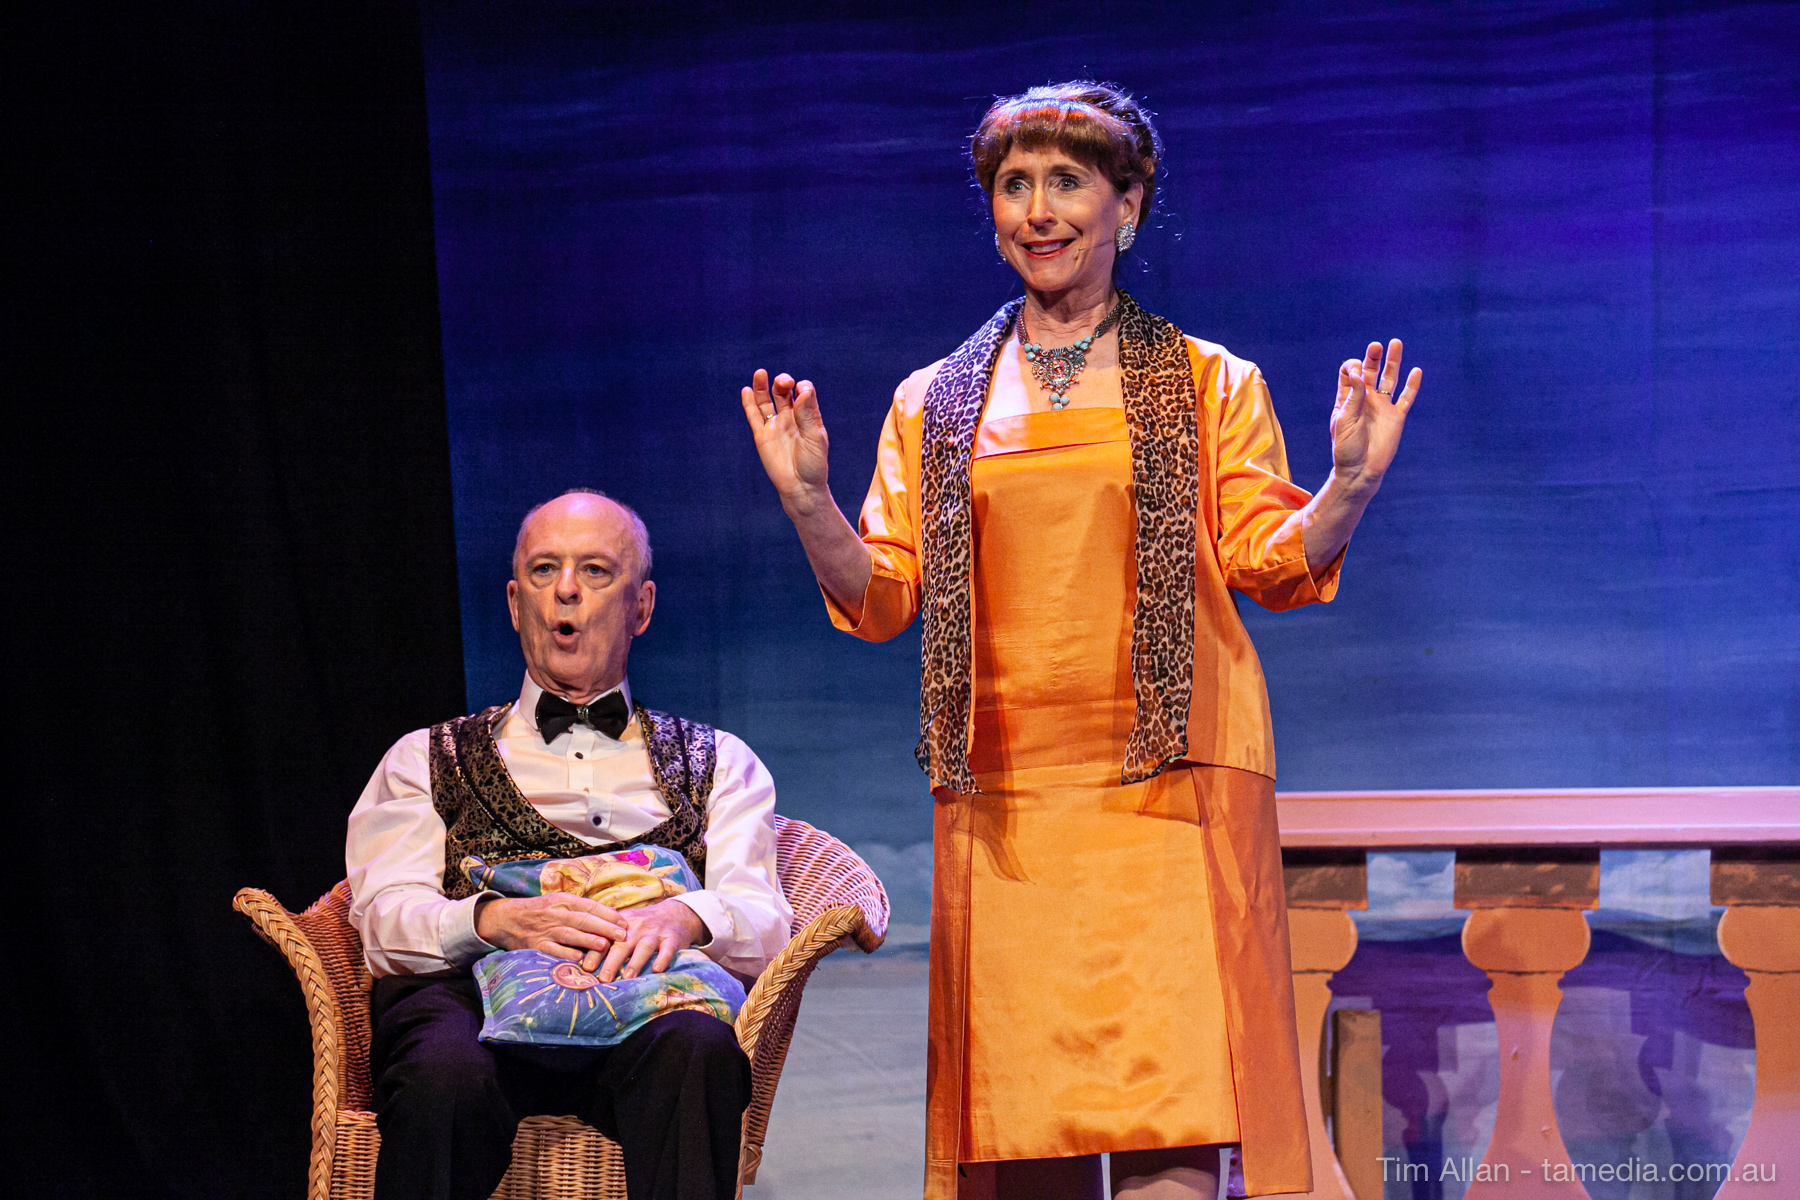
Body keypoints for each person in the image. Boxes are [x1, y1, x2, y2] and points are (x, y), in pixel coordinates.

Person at [738, 83, 1421, 1200]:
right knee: (1026, 1123)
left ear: (1128, 206)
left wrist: (1347, 485)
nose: (1038, 210)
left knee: (1174, 1105)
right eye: (1015, 186)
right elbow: (884, 596)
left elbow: (1270, 561)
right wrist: (811, 502)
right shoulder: (933, 403)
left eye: (1067, 182)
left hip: (1174, 790)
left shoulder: (1210, 382)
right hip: (1006, 799)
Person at [346, 489, 794, 1200]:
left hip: (646, 998)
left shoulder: (720, 762)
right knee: (443, 1074)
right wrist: (492, 920)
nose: (565, 591)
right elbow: (381, 923)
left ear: (641, 606)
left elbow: (765, 921)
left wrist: (684, 917)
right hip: (468, 1004)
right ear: (515, 601)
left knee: (700, 1050)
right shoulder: (424, 759)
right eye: (544, 569)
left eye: (595, 571)